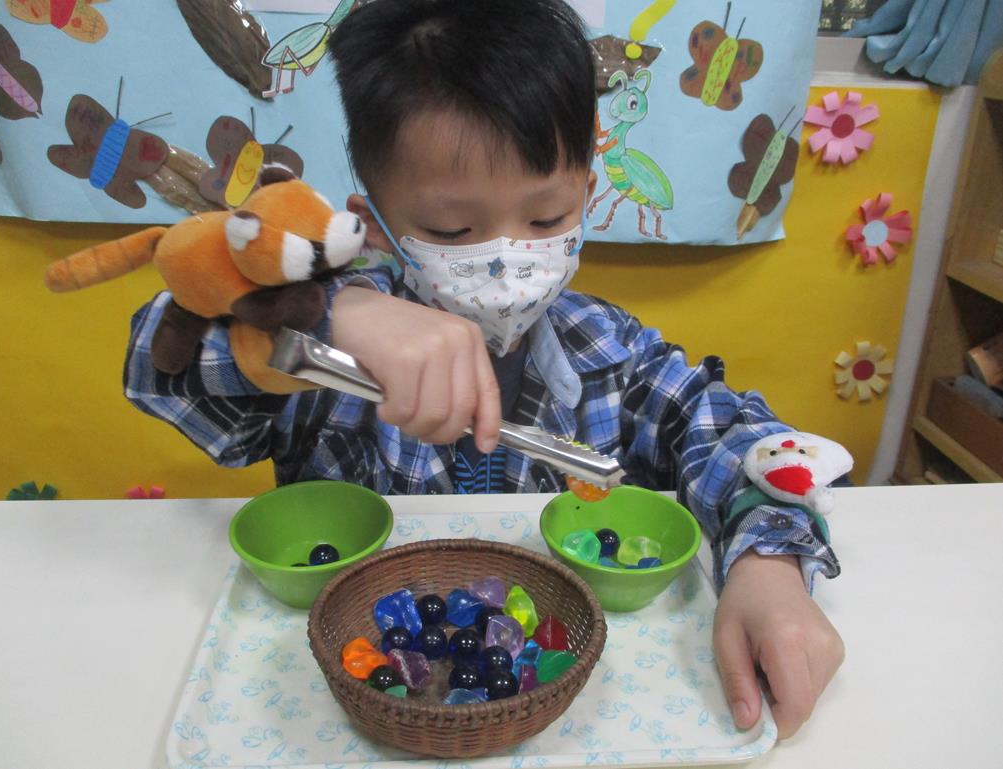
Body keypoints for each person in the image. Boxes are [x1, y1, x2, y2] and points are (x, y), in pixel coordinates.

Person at [124, 0, 843, 739]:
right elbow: (156, 366)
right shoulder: (325, 350)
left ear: (587, 197)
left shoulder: (609, 350)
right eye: (450, 229)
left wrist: (768, 566)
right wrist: (334, 314)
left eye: (546, 219)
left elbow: (740, 437)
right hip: (350, 700)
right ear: (373, 226)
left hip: (564, 704)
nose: (505, 257)